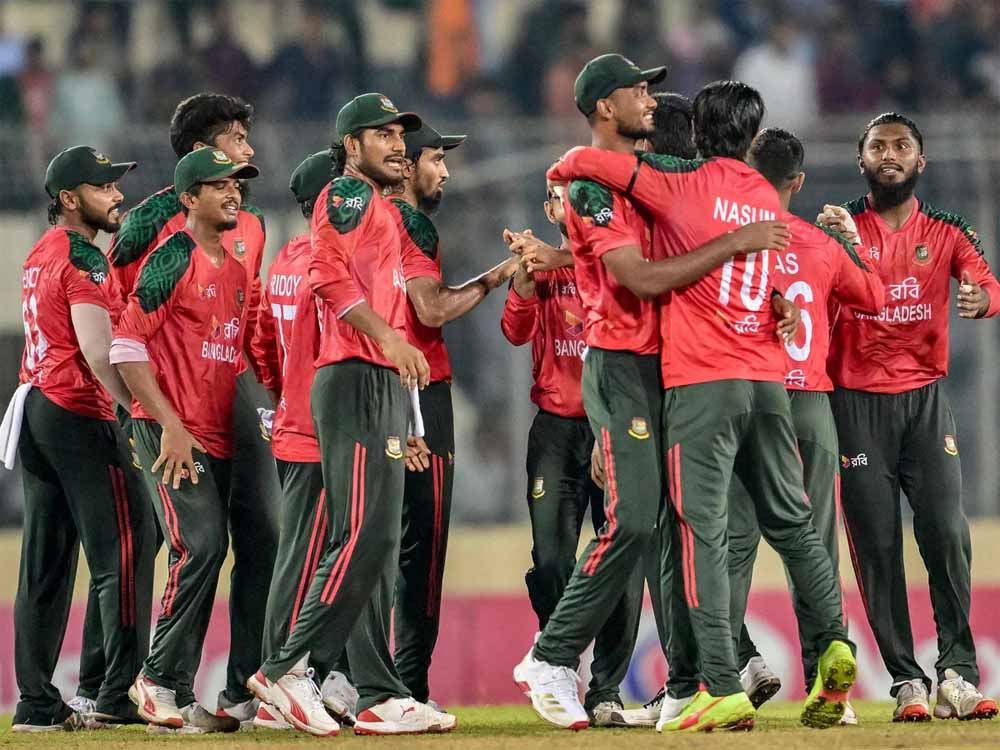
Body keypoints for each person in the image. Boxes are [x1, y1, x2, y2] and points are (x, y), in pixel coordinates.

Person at [549, 79, 856, 731]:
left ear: (696, 133)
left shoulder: (681, 184)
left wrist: (564, 166)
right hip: (769, 381)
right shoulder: (761, 194)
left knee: (701, 533)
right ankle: (834, 640)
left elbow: (592, 165)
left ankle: (718, 683)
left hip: (702, 382)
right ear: (752, 135)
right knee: (795, 523)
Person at [515, 56, 794, 733]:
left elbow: (699, 215)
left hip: (672, 365)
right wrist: (737, 243)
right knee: (635, 520)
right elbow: (639, 279)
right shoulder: (590, 193)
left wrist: (774, 296)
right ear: (603, 107)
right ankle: (549, 658)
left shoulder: (652, 172)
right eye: (636, 90)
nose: (651, 99)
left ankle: (690, 683)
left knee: (676, 527)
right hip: (621, 363)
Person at [248, 93, 456, 737]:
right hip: (355, 376)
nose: (396, 144)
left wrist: (404, 399)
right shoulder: (345, 194)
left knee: (378, 539)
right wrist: (389, 341)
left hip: (379, 382)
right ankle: (285, 670)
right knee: (360, 536)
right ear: (350, 146)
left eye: (399, 135)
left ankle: (377, 695)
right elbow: (326, 274)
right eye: (381, 134)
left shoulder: (381, 211)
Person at [102, 93, 280, 726]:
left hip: (217, 415)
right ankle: (140, 683)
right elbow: (125, 331)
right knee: (189, 544)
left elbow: (243, 333)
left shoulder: (240, 247)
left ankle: (196, 688)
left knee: (227, 542)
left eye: (237, 181)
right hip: (166, 416)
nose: (236, 187)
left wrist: (270, 399)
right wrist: (156, 418)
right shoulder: (166, 242)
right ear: (190, 190)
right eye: (222, 180)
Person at [818, 112, 1000, 723]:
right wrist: (838, 248)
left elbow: (988, 285)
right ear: (861, 160)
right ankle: (905, 680)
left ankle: (958, 672)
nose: (889, 154)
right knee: (876, 544)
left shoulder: (947, 229)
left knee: (946, 530)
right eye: (878, 146)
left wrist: (980, 297)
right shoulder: (838, 225)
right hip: (856, 404)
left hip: (924, 401)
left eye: (901, 146)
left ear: (921, 162)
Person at [727, 127, 885, 724]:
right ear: (798, 182)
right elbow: (873, 296)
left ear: (747, 172)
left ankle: (721, 683)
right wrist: (852, 242)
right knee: (814, 546)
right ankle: (831, 687)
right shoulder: (821, 244)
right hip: (812, 405)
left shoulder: (732, 238)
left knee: (732, 543)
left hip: (750, 396)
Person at [8, 146, 153, 732]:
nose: (117, 196)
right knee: (131, 542)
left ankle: (36, 702)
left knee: (45, 561)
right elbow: (96, 351)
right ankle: (114, 692)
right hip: (77, 410)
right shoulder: (84, 256)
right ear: (70, 199)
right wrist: (139, 411)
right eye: (103, 187)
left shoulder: (41, 251)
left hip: (36, 408)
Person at [503, 174, 645, 728]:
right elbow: (515, 332)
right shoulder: (541, 267)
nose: (576, 206)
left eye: (585, 198)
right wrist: (523, 282)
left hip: (613, 424)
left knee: (623, 558)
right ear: (550, 209)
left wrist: (558, 258)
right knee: (553, 558)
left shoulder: (617, 260)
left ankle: (606, 689)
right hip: (557, 431)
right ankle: (557, 656)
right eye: (564, 199)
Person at [389, 123, 517, 706]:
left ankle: (349, 677)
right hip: (419, 388)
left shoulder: (362, 222)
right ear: (406, 165)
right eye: (436, 160)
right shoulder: (411, 223)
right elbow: (432, 310)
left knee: (373, 538)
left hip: (376, 386)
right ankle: (406, 685)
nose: (445, 172)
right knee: (423, 543)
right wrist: (499, 275)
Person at [250, 149, 358, 731]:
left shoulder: (285, 260)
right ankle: (282, 676)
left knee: (305, 556)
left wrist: (282, 395)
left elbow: (262, 344)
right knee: (312, 558)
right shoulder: (329, 261)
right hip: (325, 431)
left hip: (294, 423)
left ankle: (305, 676)